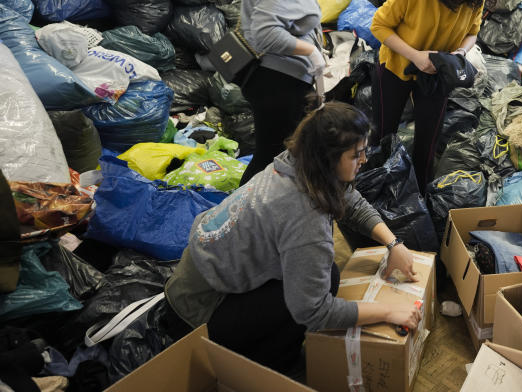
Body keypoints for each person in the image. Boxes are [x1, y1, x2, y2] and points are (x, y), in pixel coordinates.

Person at [164, 101, 422, 372]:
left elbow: (350, 200)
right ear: (328, 159)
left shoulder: (295, 163)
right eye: (356, 154)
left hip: (189, 285)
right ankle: (275, 364)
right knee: (325, 280)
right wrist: (388, 311)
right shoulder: (306, 220)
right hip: (197, 316)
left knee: (322, 275)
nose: (364, 160)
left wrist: (394, 244)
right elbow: (315, 312)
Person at [370, 0, 496, 190]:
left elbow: (473, 32)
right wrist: (416, 56)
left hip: (439, 73)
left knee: (428, 143)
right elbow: (379, 25)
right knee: (383, 136)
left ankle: (418, 200)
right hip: (397, 65)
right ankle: (377, 191)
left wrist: (459, 54)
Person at [238, 0, 328, 184]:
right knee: (270, 159)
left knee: (273, 156)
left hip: (279, 81)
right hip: (278, 83)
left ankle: (252, 216)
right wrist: (309, 51)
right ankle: (239, 218)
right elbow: (265, 34)